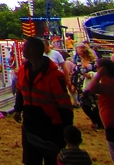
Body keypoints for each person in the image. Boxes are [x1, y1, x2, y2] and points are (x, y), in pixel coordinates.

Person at [14, 36, 74, 165]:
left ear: (31, 50)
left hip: (51, 125)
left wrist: (66, 129)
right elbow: (20, 90)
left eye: (24, 47)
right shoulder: (23, 71)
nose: (22, 49)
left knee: (51, 159)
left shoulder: (54, 76)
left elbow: (64, 105)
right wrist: (18, 109)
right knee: (31, 159)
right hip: (29, 123)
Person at [72, 44, 102, 129]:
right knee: (83, 105)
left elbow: (100, 73)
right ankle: (94, 120)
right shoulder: (78, 61)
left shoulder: (95, 62)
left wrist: (91, 75)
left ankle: (99, 122)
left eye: (79, 50)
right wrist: (73, 84)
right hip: (80, 85)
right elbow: (75, 74)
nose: (78, 52)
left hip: (92, 84)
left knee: (94, 104)